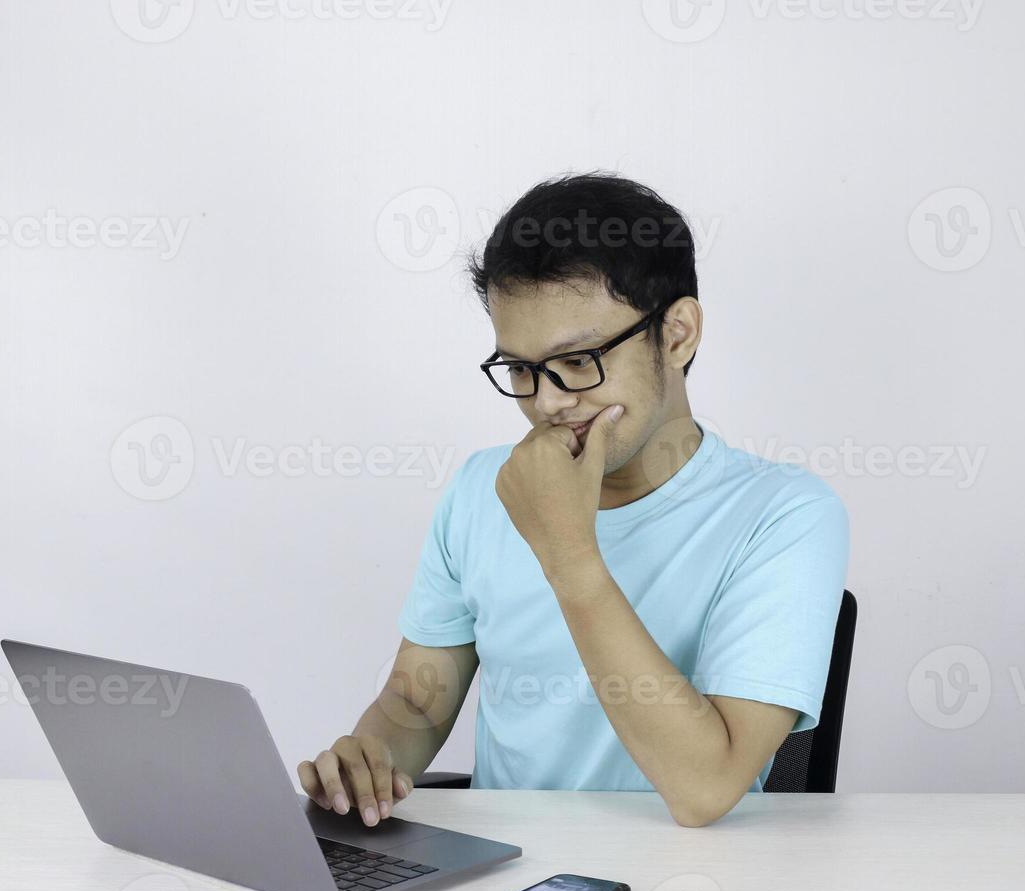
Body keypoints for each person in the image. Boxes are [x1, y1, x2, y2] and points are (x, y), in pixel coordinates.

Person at [299, 172, 849, 827]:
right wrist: (370, 763)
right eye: (521, 370)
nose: (548, 402)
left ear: (677, 334)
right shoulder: (482, 488)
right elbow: (416, 705)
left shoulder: (784, 515)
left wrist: (566, 550)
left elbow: (706, 789)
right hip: (501, 887)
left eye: (579, 360)